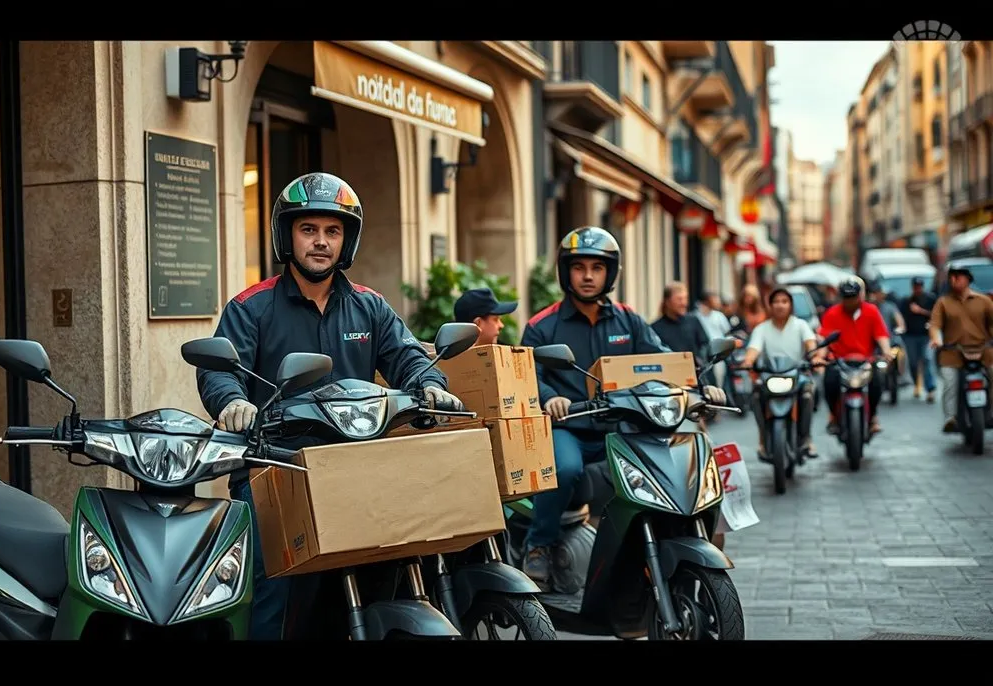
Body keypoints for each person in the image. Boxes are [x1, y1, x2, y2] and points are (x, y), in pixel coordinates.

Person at [195, 172, 463, 639]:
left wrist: (431, 385)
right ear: (287, 235)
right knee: (272, 583)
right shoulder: (250, 307)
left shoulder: (371, 307)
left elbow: (406, 357)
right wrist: (233, 400)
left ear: (347, 240)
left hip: (356, 464)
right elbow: (219, 368)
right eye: (309, 230)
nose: (320, 242)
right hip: (273, 468)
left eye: (332, 231)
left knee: (399, 557)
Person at [518, 226, 726, 587]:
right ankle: (539, 544)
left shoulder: (629, 321)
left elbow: (664, 360)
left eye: (596, 268)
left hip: (624, 427)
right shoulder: (543, 326)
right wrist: (550, 398)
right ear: (565, 271)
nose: (587, 275)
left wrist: (700, 386)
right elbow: (527, 374)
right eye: (579, 266)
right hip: (572, 429)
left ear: (609, 273)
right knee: (565, 470)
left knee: (668, 467)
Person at [741, 287, 819, 460]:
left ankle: (806, 438)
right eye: (776, 301)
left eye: (784, 301)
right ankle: (763, 438)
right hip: (770, 376)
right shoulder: (762, 328)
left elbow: (810, 344)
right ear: (770, 305)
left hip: (797, 375)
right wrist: (748, 361)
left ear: (790, 305)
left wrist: (814, 357)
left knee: (808, 394)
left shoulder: (801, 325)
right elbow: (753, 348)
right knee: (755, 396)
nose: (780, 305)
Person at [817, 276, 894, 435]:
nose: (850, 301)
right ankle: (833, 416)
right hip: (839, 362)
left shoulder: (871, 311)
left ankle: (872, 416)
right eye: (846, 298)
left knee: (878, 382)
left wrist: (886, 351)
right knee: (828, 383)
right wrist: (819, 357)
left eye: (853, 297)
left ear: (859, 296)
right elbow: (825, 338)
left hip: (866, 361)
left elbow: (881, 335)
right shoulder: (832, 313)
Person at [928, 264, 993, 432]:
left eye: (958, 276)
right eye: (951, 276)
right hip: (953, 353)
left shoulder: (984, 301)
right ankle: (951, 417)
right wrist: (936, 339)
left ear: (968, 279)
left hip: (984, 351)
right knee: (950, 382)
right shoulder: (943, 302)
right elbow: (935, 325)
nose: (954, 280)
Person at [650, 282, 710, 366]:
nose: (684, 303)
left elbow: (705, 346)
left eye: (685, 298)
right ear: (667, 302)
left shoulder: (693, 321)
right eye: (679, 299)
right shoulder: (655, 328)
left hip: (695, 375)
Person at [900, 276, 938, 402]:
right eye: (916, 287)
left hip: (926, 335)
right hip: (911, 336)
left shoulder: (930, 299)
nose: (918, 289)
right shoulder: (907, 301)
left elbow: (937, 315)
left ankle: (930, 388)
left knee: (927, 359)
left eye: (920, 286)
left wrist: (921, 311)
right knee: (913, 362)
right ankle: (917, 383)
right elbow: (901, 318)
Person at [696, 291, 733, 388]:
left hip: (718, 354)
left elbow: (727, 333)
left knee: (719, 380)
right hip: (703, 353)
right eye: (715, 299)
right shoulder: (696, 316)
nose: (718, 301)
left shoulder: (719, 316)